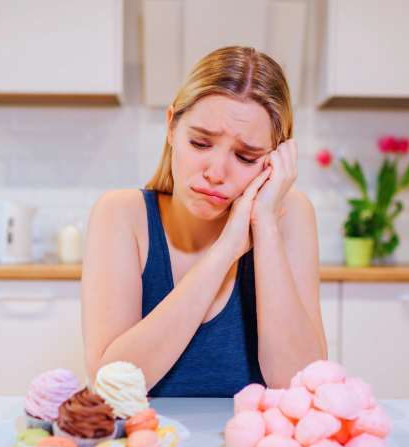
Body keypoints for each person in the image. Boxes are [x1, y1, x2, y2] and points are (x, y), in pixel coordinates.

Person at [81, 46, 327, 397]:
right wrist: (227, 249)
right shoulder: (122, 215)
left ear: (274, 162)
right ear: (171, 127)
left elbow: (298, 384)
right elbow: (112, 384)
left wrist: (266, 228)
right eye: (200, 143)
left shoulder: (290, 216)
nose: (215, 173)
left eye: (245, 156)